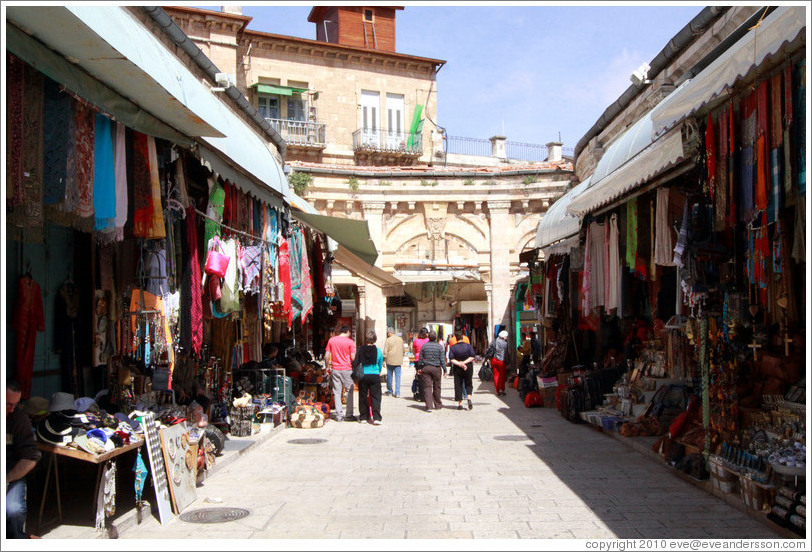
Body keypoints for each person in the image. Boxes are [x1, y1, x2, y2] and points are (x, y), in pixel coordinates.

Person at [6, 379, 41, 539]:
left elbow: (30, 458)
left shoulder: (18, 419)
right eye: (7, 404)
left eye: (16, 404)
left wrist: (7, 479)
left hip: (11, 474)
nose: (12, 409)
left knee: (13, 509)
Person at [324, 325, 357, 422]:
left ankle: (339, 415)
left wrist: (327, 367)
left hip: (335, 369)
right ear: (347, 332)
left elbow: (326, 356)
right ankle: (349, 414)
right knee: (349, 391)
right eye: (349, 332)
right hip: (347, 369)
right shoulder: (350, 342)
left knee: (337, 392)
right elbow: (353, 358)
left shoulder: (332, 340)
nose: (350, 334)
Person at [356, 330, 384, 425]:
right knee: (375, 396)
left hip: (363, 375)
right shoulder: (378, 351)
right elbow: (380, 363)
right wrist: (379, 371)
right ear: (375, 339)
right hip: (374, 375)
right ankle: (376, 417)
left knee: (363, 396)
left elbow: (356, 362)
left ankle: (363, 416)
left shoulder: (360, 349)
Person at [416, 330, 446, 412]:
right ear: (435, 337)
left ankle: (429, 406)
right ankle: (438, 404)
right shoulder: (439, 347)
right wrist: (445, 369)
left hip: (427, 368)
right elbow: (442, 359)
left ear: (428, 337)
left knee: (427, 387)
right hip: (436, 368)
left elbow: (420, 358)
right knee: (437, 387)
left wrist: (419, 368)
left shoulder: (424, 346)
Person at [448, 330, 476, 411]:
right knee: (468, 383)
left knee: (458, 384)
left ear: (456, 338)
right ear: (462, 338)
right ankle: (469, 398)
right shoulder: (468, 346)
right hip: (468, 367)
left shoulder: (453, 347)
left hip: (457, 368)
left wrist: (460, 364)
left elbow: (451, 359)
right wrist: (464, 363)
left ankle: (460, 404)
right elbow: (472, 356)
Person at [383, 327, 404, 398]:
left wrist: (384, 359)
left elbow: (385, 351)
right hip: (398, 360)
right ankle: (397, 392)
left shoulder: (388, 340)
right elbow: (403, 349)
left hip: (390, 360)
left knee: (389, 376)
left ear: (390, 332)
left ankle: (390, 390)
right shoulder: (400, 339)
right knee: (398, 376)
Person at [490, 330, 510, 396]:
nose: (506, 337)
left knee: (496, 375)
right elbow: (506, 353)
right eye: (506, 336)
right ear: (503, 336)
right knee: (502, 376)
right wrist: (507, 361)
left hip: (494, 359)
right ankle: (502, 389)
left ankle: (497, 390)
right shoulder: (505, 343)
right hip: (501, 361)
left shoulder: (494, 341)